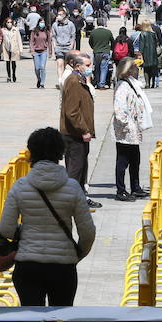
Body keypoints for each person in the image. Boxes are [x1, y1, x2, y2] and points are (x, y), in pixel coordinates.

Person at [0, 127, 96, 307]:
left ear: (31, 153)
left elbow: (5, 229)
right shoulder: (72, 187)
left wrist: (24, 232)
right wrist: (76, 255)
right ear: (60, 152)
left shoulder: (20, 186)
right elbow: (88, 232)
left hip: (28, 265)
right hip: (63, 267)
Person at [110, 60, 153, 202]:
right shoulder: (122, 86)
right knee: (123, 160)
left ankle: (135, 187)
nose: (137, 69)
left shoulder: (132, 84)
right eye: (135, 67)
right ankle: (121, 190)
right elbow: (119, 108)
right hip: (126, 130)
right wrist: (127, 124)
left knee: (135, 159)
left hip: (134, 128)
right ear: (128, 70)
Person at [60, 52, 99, 207]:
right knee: (75, 170)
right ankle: (71, 202)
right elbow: (72, 111)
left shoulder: (80, 79)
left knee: (81, 168)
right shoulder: (74, 81)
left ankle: (80, 198)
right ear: (77, 66)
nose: (90, 68)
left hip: (78, 133)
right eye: (87, 65)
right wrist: (84, 130)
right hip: (74, 134)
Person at [136, 19, 162, 88]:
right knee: (153, 68)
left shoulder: (142, 34)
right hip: (153, 53)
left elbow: (141, 45)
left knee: (146, 69)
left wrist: (140, 53)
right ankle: (153, 83)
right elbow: (156, 43)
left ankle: (147, 83)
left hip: (145, 53)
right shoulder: (153, 34)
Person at [51, 10, 76, 83]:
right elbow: (53, 36)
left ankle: (65, 80)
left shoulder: (70, 24)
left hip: (68, 47)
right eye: (58, 14)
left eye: (60, 14)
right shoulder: (55, 25)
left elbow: (73, 36)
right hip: (59, 47)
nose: (58, 16)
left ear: (64, 15)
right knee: (59, 63)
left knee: (66, 65)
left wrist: (71, 47)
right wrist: (55, 46)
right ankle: (60, 80)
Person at [86, 21, 113, 89]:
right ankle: (102, 84)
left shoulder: (93, 32)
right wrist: (110, 48)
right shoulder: (108, 32)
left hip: (97, 52)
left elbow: (90, 42)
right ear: (103, 23)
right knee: (104, 68)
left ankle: (97, 82)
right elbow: (112, 41)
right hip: (105, 52)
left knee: (97, 68)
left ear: (97, 23)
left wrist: (94, 47)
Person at [29, 20, 51, 88]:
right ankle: (39, 79)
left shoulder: (46, 31)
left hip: (43, 51)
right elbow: (31, 41)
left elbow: (49, 41)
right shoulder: (34, 32)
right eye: (41, 22)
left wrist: (50, 51)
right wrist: (32, 50)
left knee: (42, 67)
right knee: (37, 68)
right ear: (38, 23)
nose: (42, 24)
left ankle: (42, 83)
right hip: (36, 52)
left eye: (43, 22)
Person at [0, 17, 22, 83]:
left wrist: (20, 49)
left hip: (14, 47)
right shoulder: (3, 30)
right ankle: (9, 76)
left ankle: (14, 74)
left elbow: (19, 39)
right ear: (5, 23)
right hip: (6, 48)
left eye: (10, 22)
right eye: (8, 22)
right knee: (7, 62)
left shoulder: (16, 30)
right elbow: (1, 39)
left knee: (13, 62)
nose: (9, 24)